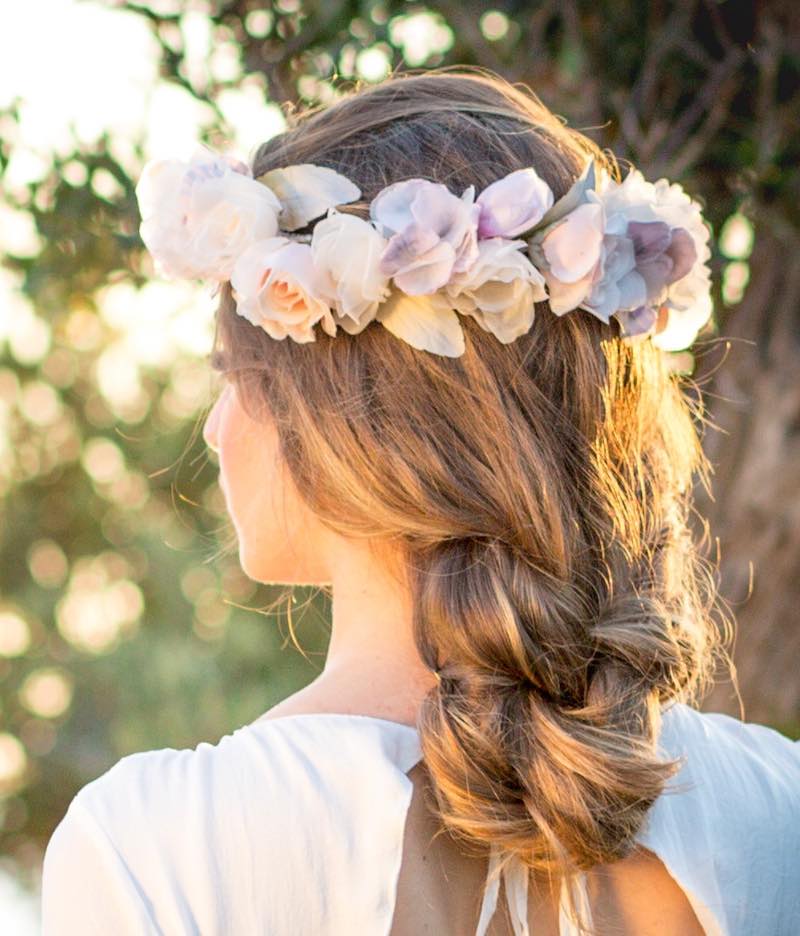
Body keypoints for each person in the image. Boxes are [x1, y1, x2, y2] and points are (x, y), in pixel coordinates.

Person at [40, 68, 800, 935]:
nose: (216, 428)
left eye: (231, 377)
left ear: (338, 415)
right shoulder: (779, 812)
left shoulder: (163, 849)